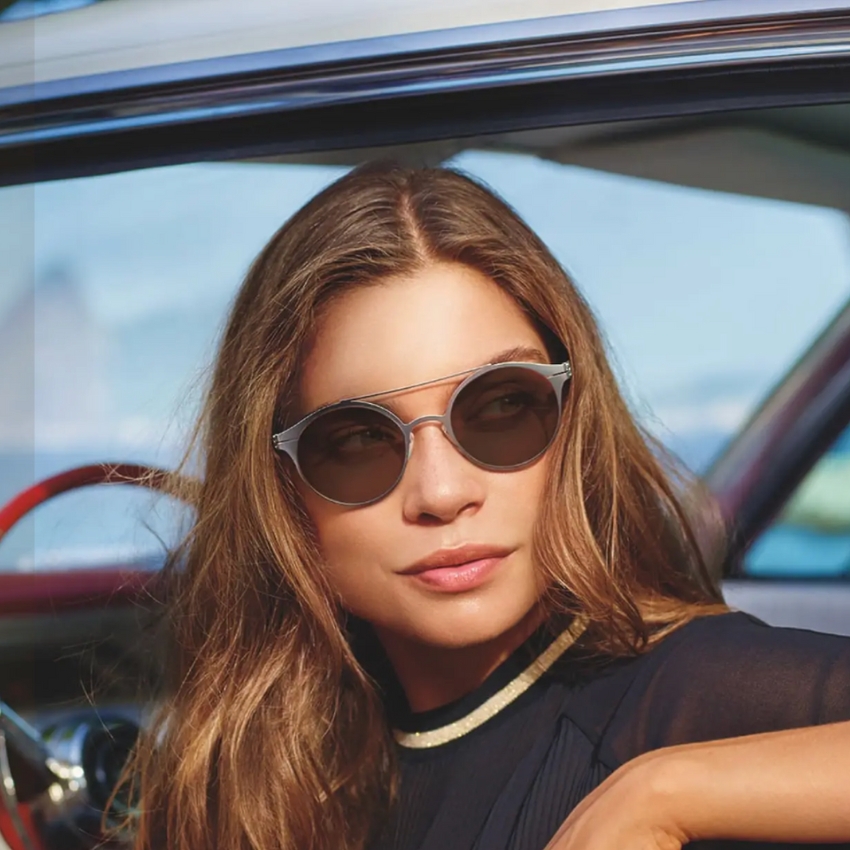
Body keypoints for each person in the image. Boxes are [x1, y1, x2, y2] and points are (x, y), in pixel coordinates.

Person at [125, 162, 850, 850]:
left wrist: (666, 792)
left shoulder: (686, 692)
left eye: (502, 408)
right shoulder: (270, 773)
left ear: (573, 421)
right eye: (356, 442)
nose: (442, 493)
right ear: (279, 486)